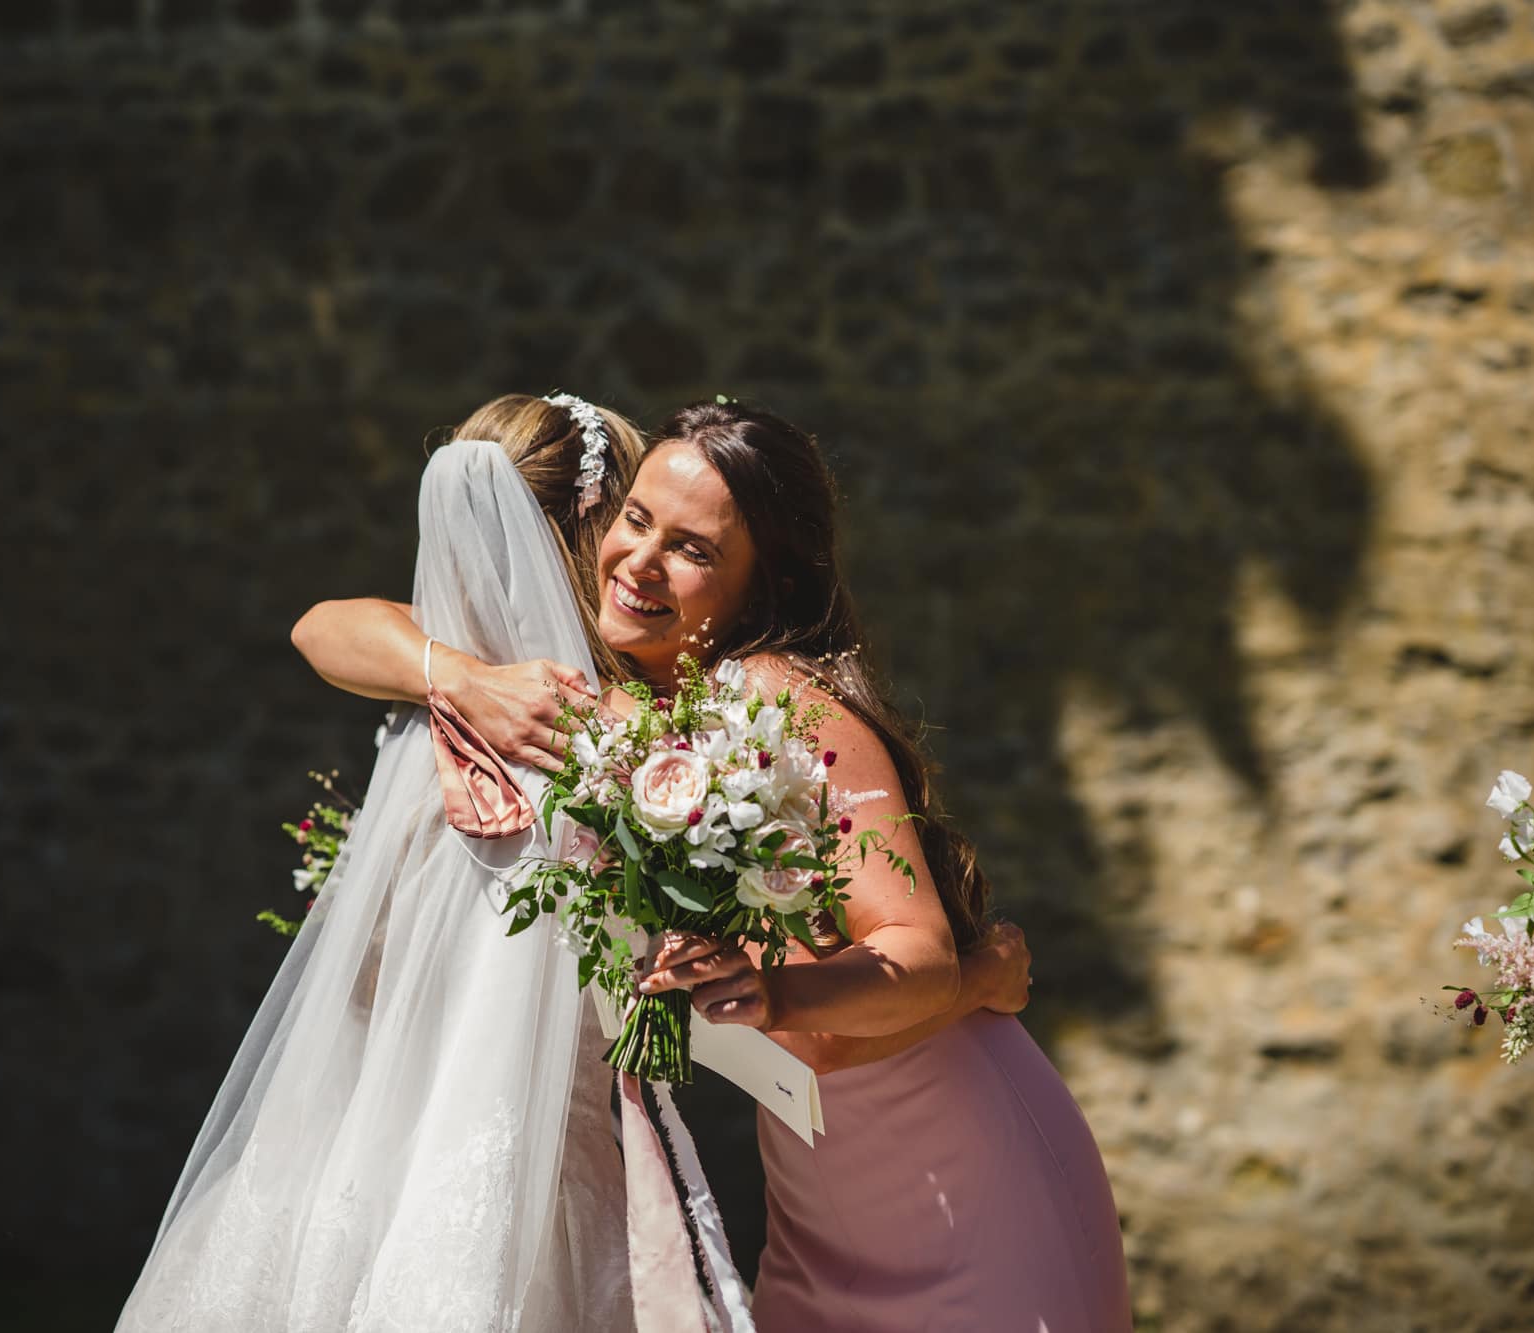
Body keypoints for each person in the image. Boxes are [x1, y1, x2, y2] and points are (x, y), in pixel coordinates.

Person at [295, 402, 1104, 1330]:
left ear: (762, 581)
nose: (641, 560)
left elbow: (910, 953)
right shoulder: (612, 695)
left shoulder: (778, 700)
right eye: (634, 520)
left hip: (953, 1169)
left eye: (695, 549)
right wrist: (465, 679)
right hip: (816, 1185)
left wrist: (904, 987)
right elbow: (326, 627)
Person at [115, 394, 649, 1332]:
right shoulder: (510, 692)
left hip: (359, 1142)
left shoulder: (440, 682)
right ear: (591, 525)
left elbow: (322, 626)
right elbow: (321, 624)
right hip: (502, 1154)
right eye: (635, 516)